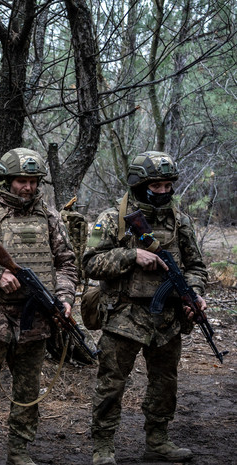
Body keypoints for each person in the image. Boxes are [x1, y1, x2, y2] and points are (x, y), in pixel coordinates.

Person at [0, 148, 77, 465]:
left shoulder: (49, 217)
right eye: (22, 181)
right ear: (6, 180)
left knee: (28, 392)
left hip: (36, 321)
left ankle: (19, 451)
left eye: (33, 181)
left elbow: (66, 264)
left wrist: (64, 298)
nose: (28, 187)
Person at [84, 152, 207, 465]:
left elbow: (195, 266)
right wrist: (131, 256)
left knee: (165, 384)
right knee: (111, 384)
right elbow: (90, 263)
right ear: (139, 184)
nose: (164, 191)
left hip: (167, 319)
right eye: (156, 186)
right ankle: (103, 446)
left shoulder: (180, 221)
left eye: (168, 185)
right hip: (123, 316)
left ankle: (158, 440)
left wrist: (194, 293)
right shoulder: (111, 218)